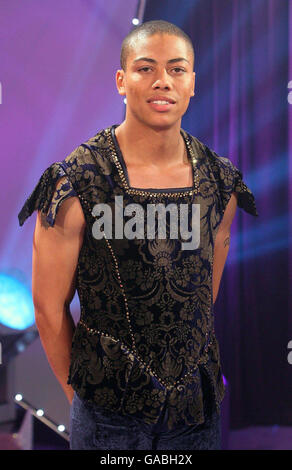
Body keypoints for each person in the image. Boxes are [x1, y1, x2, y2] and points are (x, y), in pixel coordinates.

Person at [18, 20, 258, 450]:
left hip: (195, 413)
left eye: (176, 69)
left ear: (192, 83)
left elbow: (204, 295)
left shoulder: (221, 182)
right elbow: (48, 306)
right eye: (146, 68)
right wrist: (81, 400)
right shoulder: (76, 180)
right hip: (106, 415)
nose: (162, 81)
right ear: (121, 81)